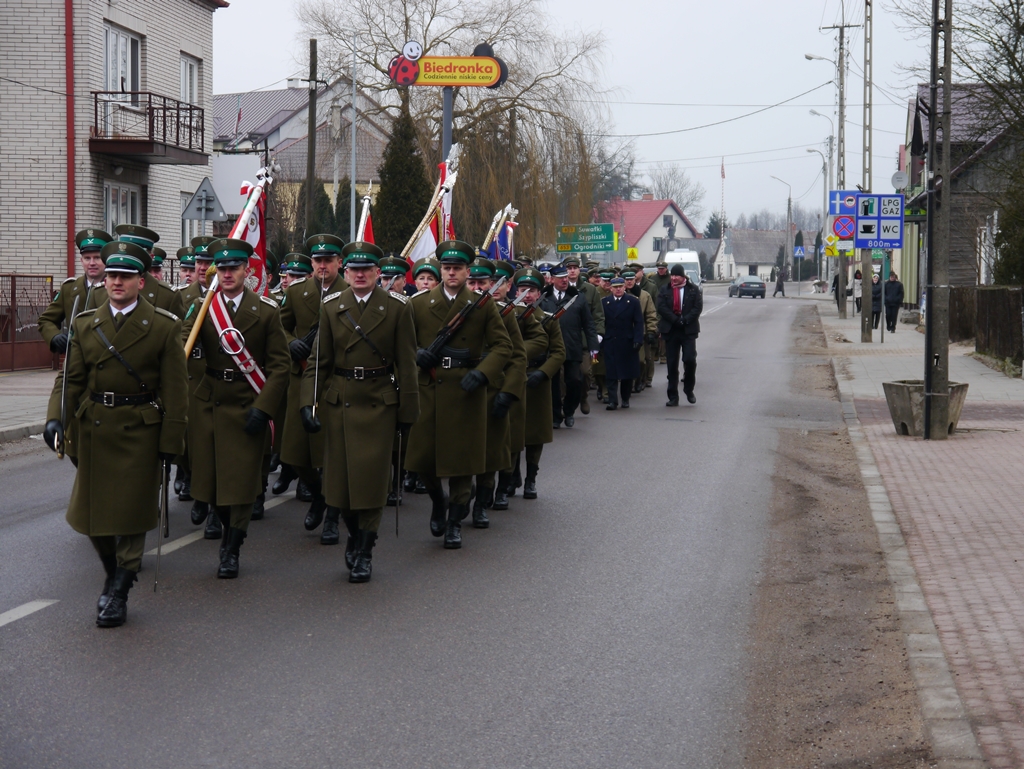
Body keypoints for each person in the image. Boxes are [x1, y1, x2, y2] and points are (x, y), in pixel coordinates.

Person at [42, 241, 188, 627]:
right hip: (95, 428)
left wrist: (173, 441)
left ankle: (119, 588)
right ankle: (113, 570)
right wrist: (56, 418)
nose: (116, 282)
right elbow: (70, 378)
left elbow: (176, 389)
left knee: (131, 515)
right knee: (89, 518)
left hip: (140, 429)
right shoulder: (85, 324)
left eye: (124, 276)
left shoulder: (162, 326)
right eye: (111, 276)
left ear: (141, 281)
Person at [299, 241, 419, 582]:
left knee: (371, 483)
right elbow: (318, 363)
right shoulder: (331, 306)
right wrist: (308, 403)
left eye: (367, 269)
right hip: (341, 402)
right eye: (354, 269)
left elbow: (407, 364)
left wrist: (408, 411)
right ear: (346, 272)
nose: (361, 274)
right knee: (341, 487)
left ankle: (365, 549)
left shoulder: (397, 308)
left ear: (377, 272)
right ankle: (353, 531)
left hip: (379, 403)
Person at [181, 238, 290, 579]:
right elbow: (180, 346)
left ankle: (232, 548)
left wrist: (265, 407)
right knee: (213, 482)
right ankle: (222, 525)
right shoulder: (203, 309)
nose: (227, 274)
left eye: (233, 268)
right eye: (222, 268)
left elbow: (280, 366)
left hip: (247, 404)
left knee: (241, 486)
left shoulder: (266, 312)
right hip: (209, 405)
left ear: (247, 271)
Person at [405, 240, 512, 549]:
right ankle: (438, 500)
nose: (451, 273)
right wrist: (418, 355)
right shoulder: (419, 304)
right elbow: (403, 343)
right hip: (430, 388)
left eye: (457, 268)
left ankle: (454, 521)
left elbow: (503, 346)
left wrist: (483, 373)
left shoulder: (483, 305)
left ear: (468, 272)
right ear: (441, 270)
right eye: (447, 268)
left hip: (467, 389)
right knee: (424, 460)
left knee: (463, 463)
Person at [279, 234, 349, 540]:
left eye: (328, 261)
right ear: (312, 264)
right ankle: (320, 494)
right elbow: (278, 326)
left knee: (331, 455)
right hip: (302, 377)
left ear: (339, 263)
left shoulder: (351, 292)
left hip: (334, 380)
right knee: (294, 454)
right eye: (318, 261)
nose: (323, 266)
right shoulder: (297, 292)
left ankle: (332, 517)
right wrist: (290, 343)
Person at [495, 267, 566, 509]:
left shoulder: (548, 317)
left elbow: (558, 353)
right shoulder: (507, 314)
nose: (526, 295)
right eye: (522, 289)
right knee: (514, 432)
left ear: (539, 293)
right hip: (512, 378)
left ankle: (531, 479)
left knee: (535, 435)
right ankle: (509, 477)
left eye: (532, 290)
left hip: (537, 381)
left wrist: (543, 372)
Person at [467, 258, 530, 529]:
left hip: (493, 389)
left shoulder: (504, 313)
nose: (477, 287)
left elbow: (517, 357)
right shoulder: (448, 310)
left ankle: (481, 503)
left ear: (493, 285)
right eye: (473, 282)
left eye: (483, 282)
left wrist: (508, 392)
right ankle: (455, 500)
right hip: (459, 391)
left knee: (490, 452)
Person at [538, 264, 598, 428]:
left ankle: (570, 410)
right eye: (561, 277)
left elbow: (588, 323)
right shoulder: (544, 297)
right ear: (552, 279)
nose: (565, 280)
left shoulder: (577, 297)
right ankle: (556, 416)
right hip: (551, 348)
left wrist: (594, 346)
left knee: (575, 381)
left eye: (566, 277)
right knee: (554, 383)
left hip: (572, 346)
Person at [39, 229, 112, 355]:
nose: (92, 263)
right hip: (75, 359)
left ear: (106, 260)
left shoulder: (116, 287)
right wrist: (55, 336)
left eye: (97, 258)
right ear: (81, 261)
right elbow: (46, 320)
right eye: (87, 258)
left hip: (106, 357)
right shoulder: (69, 288)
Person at [562, 255, 604, 415]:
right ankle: (566, 401)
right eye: (569, 268)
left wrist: (598, 334)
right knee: (564, 375)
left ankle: (583, 397)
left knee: (586, 372)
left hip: (584, 340)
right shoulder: (560, 287)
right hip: (566, 338)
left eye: (574, 268)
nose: (572, 271)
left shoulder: (590, 289)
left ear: (579, 270)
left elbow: (598, 314)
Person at [656, 264, 703, 406]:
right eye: (673, 275)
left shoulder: (693, 289)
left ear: (683, 276)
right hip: (671, 330)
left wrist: (685, 319)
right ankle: (673, 396)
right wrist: (675, 320)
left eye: (677, 275)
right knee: (672, 364)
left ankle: (689, 389)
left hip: (688, 330)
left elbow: (697, 307)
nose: (674, 278)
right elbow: (661, 307)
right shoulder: (665, 289)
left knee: (689, 360)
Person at [114, 225, 184, 318]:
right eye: (127, 254)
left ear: (150, 258)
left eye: (137, 255)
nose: (130, 259)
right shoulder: (100, 292)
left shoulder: (168, 296)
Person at [600, 276, 643, 410]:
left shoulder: (633, 302)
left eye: (620, 287)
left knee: (627, 373)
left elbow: (638, 323)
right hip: (610, 341)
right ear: (611, 288)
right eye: (615, 287)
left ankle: (625, 398)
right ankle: (613, 400)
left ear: (625, 287)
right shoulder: (604, 302)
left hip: (627, 342)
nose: (618, 290)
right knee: (611, 372)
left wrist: (637, 339)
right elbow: (601, 322)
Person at [623, 269, 658, 392]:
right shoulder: (619, 294)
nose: (629, 282)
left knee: (641, 360)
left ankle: (640, 380)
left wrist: (651, 331)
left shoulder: (644, 295)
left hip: (640, 333)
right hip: (623, 334)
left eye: (631, 279)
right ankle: (630, 384)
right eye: (626, 280)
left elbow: (651, 314)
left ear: (635, 280)